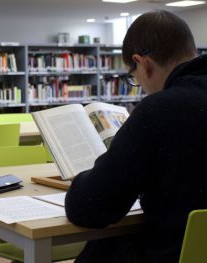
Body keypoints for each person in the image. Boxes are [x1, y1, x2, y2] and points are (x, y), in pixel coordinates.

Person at [65, 10, 207, 263]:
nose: (139, 85)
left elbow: (89, 208)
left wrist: (82, 180)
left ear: (143, 63)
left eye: (134, 77)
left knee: (106, 248)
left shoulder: (160, 110)